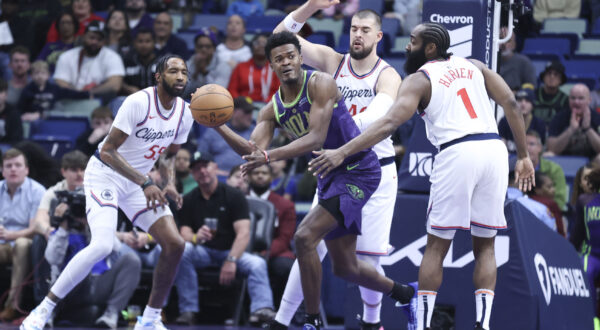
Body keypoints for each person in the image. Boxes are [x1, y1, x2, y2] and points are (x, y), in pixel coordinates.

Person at [308, 23, 535, 330]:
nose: (406, 46)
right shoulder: (476, 66)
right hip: (494, 150)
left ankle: (423, 324)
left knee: (436, 246)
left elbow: (388, 124)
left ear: (429, 48)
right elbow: (509, 103)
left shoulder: (419, 78)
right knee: (486, 245)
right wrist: (522, 155)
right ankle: (483, 324)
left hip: (457, 151)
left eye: (412, 42)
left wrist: (342, 151)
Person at [214, 31, 415, 330]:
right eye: (278, 59)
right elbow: (253, 150)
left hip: (358, 169)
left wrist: (269, 157)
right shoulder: (272, 108)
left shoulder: (320, 83)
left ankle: (312, 321)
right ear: (271, 65)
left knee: (304, 237)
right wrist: (219, 125)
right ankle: (403, 293)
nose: (285, 62)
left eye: (290, 56)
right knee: (345, 267)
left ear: (299, 57)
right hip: (328, 175)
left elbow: (315, 138)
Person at [20, 54, 194, 330]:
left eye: (184, 72)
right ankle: (43, 309)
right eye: (173, 71)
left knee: (175, 245)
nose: (181, 77)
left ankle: (149, 320)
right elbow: (107, 151)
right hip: (106, 175)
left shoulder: (185, 113)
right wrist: (146, 182)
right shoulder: (138, 102)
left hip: (138, 182)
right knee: (102, 245)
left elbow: (168, 155)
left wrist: (169, 182)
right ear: (158, 76)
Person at [270, 2, 405, 328]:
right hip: (333, 168)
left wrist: (329, 127)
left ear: (379, 35)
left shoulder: (388, 75)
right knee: (309, 246)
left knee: (366, 258)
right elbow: (279, 39)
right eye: (353, 29)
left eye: (364, 31)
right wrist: (311, 6)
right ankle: (281, 320)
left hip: (373, 168)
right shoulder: (334, 61)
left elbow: (376, 119)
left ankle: (372, 322)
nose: (357, 35)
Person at [173, 151, 276, 325]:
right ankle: (188, 310)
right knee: (183, 251)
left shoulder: (233, 196)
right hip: (204, 251)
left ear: (215, 168)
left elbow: (244, 233)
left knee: (257, 263)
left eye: (205, 166)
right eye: (197, 169)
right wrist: (197, 237)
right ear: (192, 174)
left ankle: (262, 309)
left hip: (230, 251)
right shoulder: (189, 199)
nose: (202, 171)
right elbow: (184, 233)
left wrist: (231, 259)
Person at [44, 197, 142, 330]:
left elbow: (117, 249)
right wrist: (63, 227)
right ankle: (48, 314)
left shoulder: (96, 229)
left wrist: (93, 225)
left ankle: (111, 314)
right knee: (81, 267)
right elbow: (52, 259)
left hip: (99, 283)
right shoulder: (61, 233)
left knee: (131, 260)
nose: (80, 216)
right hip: (71, 289)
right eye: (77, 211)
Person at [30, 150, 88, 306]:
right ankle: (41, 298)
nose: (79, 174)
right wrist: (48, 230)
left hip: (86, 237)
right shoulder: (54, 192)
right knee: (39, 240)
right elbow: (39, 221)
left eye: (82, 169)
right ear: (63, 171)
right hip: (60, 236)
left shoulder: (93, 191)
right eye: (74, 170)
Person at [0, 149, 46, 321]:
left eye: (18, 165)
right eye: (9, 166)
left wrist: (12, 234)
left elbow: (35, 228)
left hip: (28, 241)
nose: (13, 169)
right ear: (2, 170)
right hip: (2, 243)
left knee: (21, 244)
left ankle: (12, 306)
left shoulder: (37, 191)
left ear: (26, 170)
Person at [247, 164, 296, 309]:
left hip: (275, 253)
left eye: (264, 173)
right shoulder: (238, 201)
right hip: (242, 252)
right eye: (256, 172)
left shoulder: (285, 205)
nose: (260, 176)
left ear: (271, 178)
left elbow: (284, 238)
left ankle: (282, 310)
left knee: (286, 267)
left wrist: (264, 253)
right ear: (248, 177)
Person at [53, 21, 125, 98]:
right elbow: (60, 81)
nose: (94, 42)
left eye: (99, 39)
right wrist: (78, 94)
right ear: (83, 36)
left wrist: (88, 93)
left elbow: (115, 85)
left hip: (100, 101)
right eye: (92, 37)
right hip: (71, 99)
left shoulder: (112, 57)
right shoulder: (67, 56)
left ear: (104, 41)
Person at [570, 166, 600, 325]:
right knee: (585, 271)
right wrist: (568, 252)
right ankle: (591, 322)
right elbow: (577, 233)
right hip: (592, 255)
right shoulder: (585, 201)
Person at [197, 96, 256, 176]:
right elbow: (201, 157)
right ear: (233, 111)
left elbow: (263, 158)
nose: (250, 116)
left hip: (248, 178)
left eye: (251, 112)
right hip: (218, 177)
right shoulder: (215, 130)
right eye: (246, 112)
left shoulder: (256, 132)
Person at [18, 61, 90, 122]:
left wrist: (87, 94)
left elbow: (70, 93)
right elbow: (21, 106)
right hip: (31, 119)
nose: (40, 76)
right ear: (31, 76)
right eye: (36, 73)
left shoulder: (54, 89)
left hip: (50, 118)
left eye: (43, 73)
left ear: (48, 75)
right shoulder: (27, 90)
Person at [547, 83, 600, 159]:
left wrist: (588, 129)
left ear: (589, 100)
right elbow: (552, 148)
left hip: (592, 163)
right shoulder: (559, 118)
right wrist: (571, 130)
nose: (576, 102)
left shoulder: (597, 118)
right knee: (548, 155)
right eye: (573, 98)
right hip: (563, 160)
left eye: (581, 98)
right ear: (569, 99)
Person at [228, 34, 279, 103]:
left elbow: (280, 91)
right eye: (257, 43)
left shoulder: (275, 68)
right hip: (243, 108)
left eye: (264, 43)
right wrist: (241, 103)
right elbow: (232, 90)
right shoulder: (240, 67)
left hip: (270, 107)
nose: (261, 46)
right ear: (251, 47)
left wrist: (268, 104)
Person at [526, 130, 567, 210]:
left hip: (549, 213)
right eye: (524, 145)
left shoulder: (555, 170)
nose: (527, 148)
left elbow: (560, 200)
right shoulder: (513, 168)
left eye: (531, 144)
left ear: (540, 148)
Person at [184, 29, 232, 95]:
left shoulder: (223, 65)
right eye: (200, 46)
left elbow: (218, 92)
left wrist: (204, 73)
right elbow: (183, 92)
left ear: (214, 48)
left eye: (208, 47)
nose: (203, 49)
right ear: (195, 47)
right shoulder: (189, 64)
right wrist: (195, 74)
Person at [498, 88, 545, 153]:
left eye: (527, 101)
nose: (523, 104)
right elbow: (501, 147)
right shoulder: (505, 122)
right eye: (519, 100)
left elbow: (540, 150)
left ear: (533, 105)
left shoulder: (539, 124)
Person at [215, 14, 252, 84]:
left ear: (244, 29)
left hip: (243, 87)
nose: (233, 25)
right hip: (219, 88)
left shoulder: (251, 48)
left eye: (238, 23)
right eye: (230, 23)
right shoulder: (217, 47)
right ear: (226, 28)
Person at [498, 27, 536, 91]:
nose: (504, 44)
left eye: (508, 41)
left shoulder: (524, 62)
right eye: (501, 39)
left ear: (514, 45)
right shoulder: (491, 60)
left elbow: (530, 88)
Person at [121, 28, 157, 95]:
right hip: (132, 99)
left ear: (154, 43)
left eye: (148, 41)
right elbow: (120, 81)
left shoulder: (163, 63)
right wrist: (128, 88)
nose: (144, 45)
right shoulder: (127, 62)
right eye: (140, 41)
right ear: (134, 43)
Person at [0, 79, 24, 144]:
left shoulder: (14, 113)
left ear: (6, 94)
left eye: (0, 92)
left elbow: (17, 139)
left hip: (8, 150)